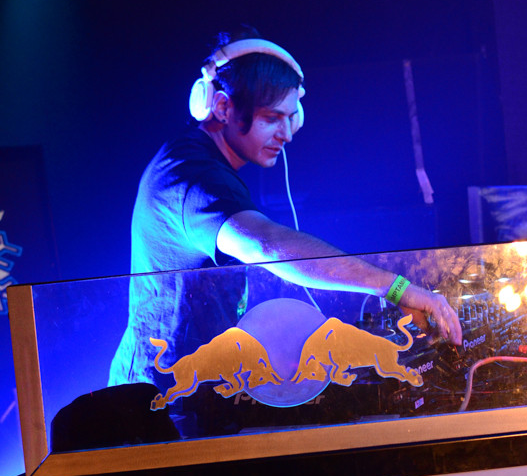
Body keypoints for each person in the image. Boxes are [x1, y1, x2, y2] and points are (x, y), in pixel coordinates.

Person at [109, 27, 461, 427]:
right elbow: (267, 246)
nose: (288, 133)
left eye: (292, 117)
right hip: (162, 406)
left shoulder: (201, 163)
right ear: (221, 107)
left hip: (189, 395)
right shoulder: (192, 180)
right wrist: (396, 288)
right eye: (272, 118)